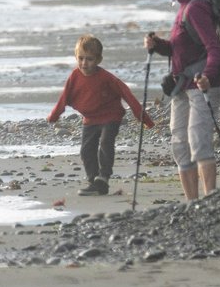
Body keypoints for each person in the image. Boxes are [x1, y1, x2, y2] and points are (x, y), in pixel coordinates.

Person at [143, 0, 220, 199]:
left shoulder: (196, 7)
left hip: (202, 85)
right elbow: (179, 50)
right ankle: (192, 203)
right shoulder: (184, 6)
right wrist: (157, 45)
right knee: (180, 144)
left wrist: (208, 76)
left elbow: (214, 48)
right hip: (181, 85)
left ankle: (210, 199)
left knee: (198, 141)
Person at [46, 34, 155, 196]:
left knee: (105, 143)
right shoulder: (74, 76)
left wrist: (144, 118)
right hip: (90, 119)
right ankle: (94, 182)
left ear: (98, 59)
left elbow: (127, 95)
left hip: (111, 116)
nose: (84, 63)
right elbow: (64, 97)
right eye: (80, 58)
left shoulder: (106, 77)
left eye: (89, 59)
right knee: (86, 150)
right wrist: (54, 116)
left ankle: (103, 177)